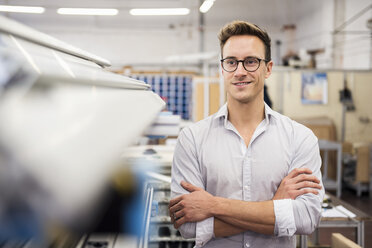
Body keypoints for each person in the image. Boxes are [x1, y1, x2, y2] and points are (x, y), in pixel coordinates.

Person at [169, 20, 324, 248]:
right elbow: (188, 226)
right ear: (222, 69)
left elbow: (306, 219)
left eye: (251, 61)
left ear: (268, 68)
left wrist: (212, 206)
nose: (240, 71)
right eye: (231, 62)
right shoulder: (192, 139)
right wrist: (275, 206)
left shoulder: (300, 138)